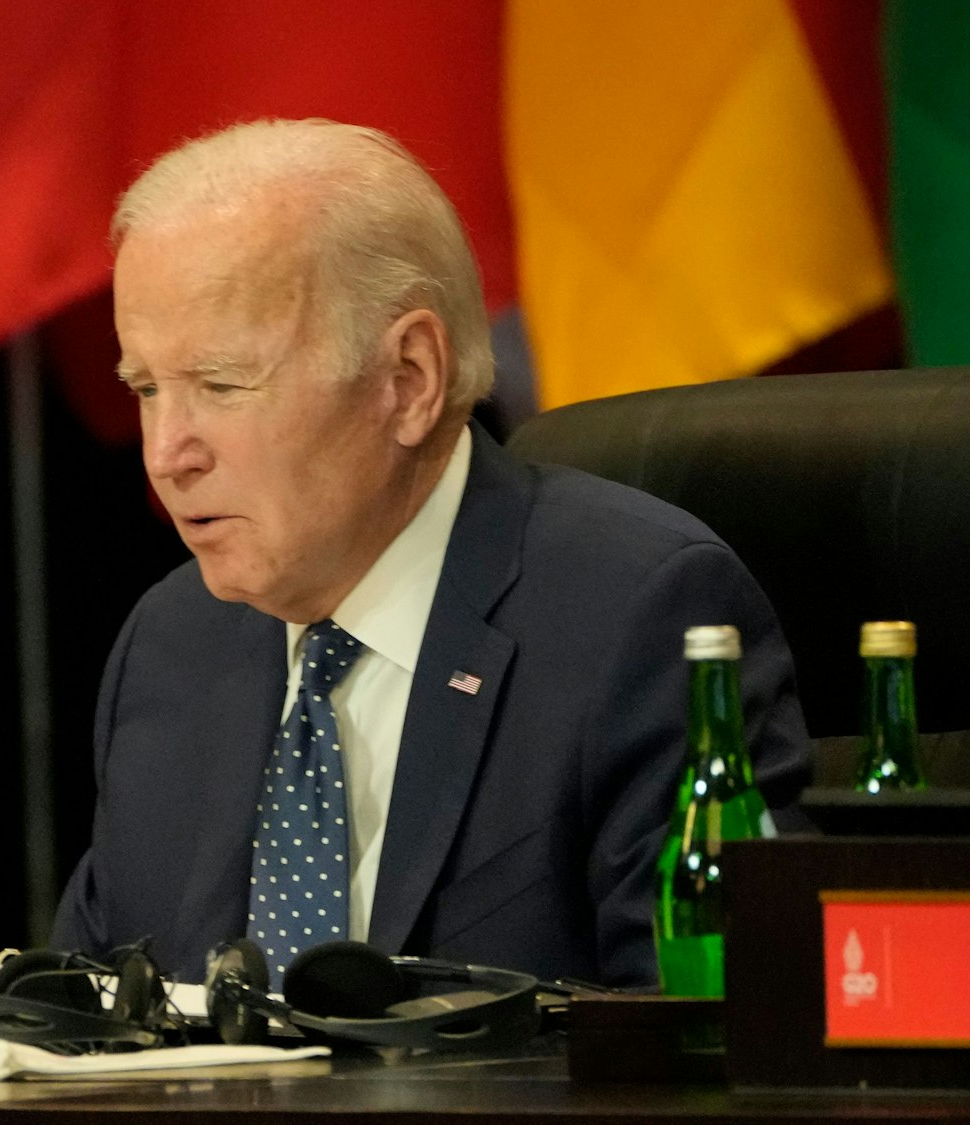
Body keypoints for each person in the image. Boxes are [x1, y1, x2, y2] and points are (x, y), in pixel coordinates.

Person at [49, 119, 811, 989]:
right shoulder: (173, 643)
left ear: (407, 380)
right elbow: (88, 1018)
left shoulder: (636, 620)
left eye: (222, 386)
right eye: (147, 389)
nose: (166, 454)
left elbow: (704, 1041)